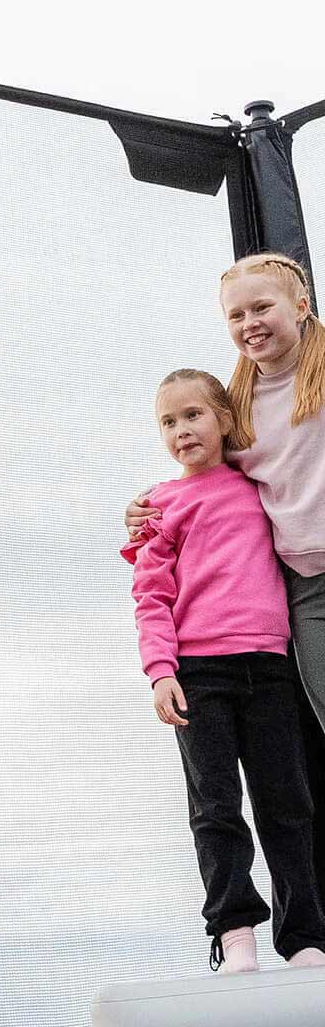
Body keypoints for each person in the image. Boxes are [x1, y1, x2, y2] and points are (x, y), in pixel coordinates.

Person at [124, 367, 325, 971]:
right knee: (215, 807)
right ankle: (234, 932)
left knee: (287, 805)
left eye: (194, 415)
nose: (182, 429)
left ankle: (306, 940)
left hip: (268, 670)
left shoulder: (259, 486)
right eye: (168, 421)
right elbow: (150, 595)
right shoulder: (160, 506)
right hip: (198, 677)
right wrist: (161, 671)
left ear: (225, 421)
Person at [127, 253, 325, 719]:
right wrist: (147, 508)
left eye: (261, 307)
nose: (249, 323)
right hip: (304, 584)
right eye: (236, 315)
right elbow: (208, 479)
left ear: (300, 306)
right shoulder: (237, 405)